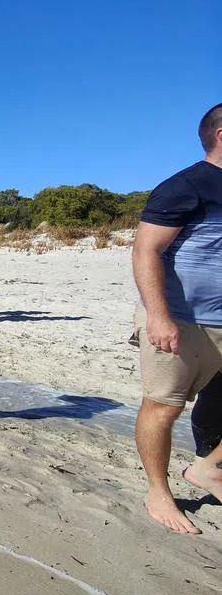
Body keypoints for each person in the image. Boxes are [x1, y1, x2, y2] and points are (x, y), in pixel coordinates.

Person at [131, 103, 222, 534]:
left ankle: (207, 469)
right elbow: (146, 250)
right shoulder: (186, 186)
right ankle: (158, 491)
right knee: (163, 408)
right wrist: (158, 316)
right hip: (183, 321)